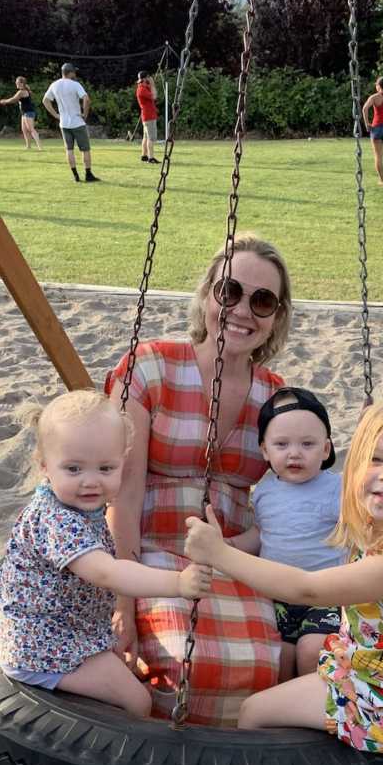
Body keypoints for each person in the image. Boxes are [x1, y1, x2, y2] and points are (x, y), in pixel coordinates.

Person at [184, 392, 383, 753]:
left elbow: (307, 590)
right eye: (375, 459)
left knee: (253, 711)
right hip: (377, 667)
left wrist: (219, 553)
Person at [104, 233, 293, 725]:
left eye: (263, 300)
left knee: (261, 664)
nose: (243, 310)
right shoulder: (149, 367)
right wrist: (123, 599)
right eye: (229, 291)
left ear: (277, 316)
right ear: (208, 294)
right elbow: (121, 496)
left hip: (233, 555)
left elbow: (294, 492)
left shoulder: (276, 398)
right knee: (175, 661)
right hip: (149, 551)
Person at [0, 390, 212, 713]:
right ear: (44, 466)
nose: (91, 482)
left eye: (106, 469)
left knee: (127, 676)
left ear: (123, 462)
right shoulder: (57, 520)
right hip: (40, 645)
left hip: (68, 629)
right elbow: (107, 572)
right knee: (137, 701)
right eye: (74, 469)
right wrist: (178, 584)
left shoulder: (81, 507)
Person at [249, 387, 344, 682]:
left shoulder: (337, 488)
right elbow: (261, 534)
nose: (294, 453)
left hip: (326, 594)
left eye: (307, 444)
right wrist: (226, 546)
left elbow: (365, 522)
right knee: (278, 655)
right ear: (265, 450)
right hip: (278, 596)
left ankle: (314, 705)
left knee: (311, 649)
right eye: (281, 444)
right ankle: (284, 714)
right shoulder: (264, 491)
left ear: (325, 450)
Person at [43, 63, 99, 183]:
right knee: (85, 149)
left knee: (69, 150)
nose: (75, 74)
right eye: (74, 72)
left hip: (64, 123)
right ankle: (88, 174)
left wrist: (56, 115)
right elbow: (86, 98)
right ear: (70, 73)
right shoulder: (75, 84)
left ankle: (75, 176)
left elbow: (45, 100)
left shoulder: (54, 85)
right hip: (77, 122)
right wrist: (85, 114)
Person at [0, 76, 42, 150]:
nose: (16, 84)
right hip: (24, 113)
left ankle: (40, 147)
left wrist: (4, 101)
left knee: (31, 129)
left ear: (22, 83)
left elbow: (13, 99)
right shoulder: (25, 89)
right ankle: (28, 146)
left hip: (29, 112)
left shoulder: (21, 92)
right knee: (24, 129)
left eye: (17, 83)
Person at [135, 70, 160, 164]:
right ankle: (151, 158)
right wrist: (152, 84)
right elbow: (154, 96)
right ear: (145, 78)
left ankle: (144, 155)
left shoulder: (143, 87)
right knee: (151, 138)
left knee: (145, 137)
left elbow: (153, 93)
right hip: (149, 116)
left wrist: (150, 85)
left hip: (147, 115)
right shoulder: (142, 89)